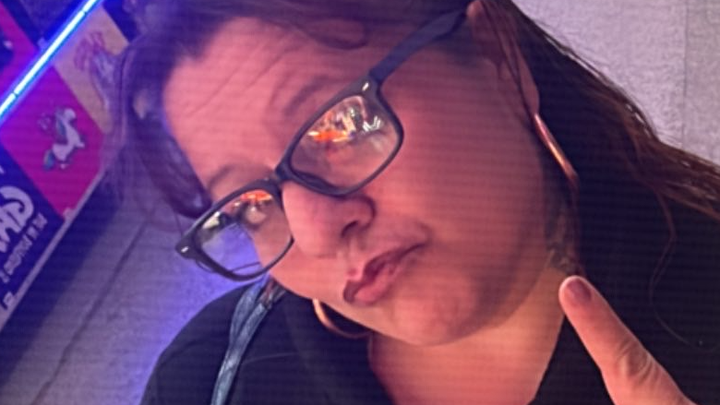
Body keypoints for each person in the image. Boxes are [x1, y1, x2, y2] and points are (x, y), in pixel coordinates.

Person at [113, 0, 720, 404]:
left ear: (496, 56)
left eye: (341, 126)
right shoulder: (202, 379)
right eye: (249, 206)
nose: (317, 233)